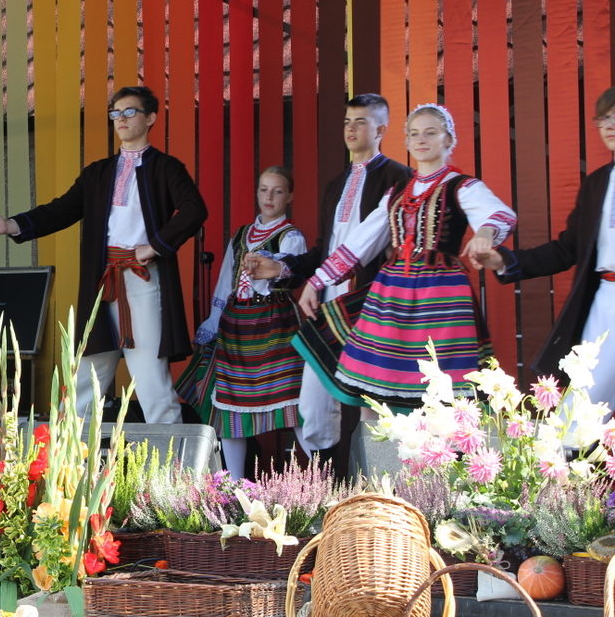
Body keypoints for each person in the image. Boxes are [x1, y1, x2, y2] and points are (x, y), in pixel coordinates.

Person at [0, 86, 207, 424]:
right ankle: (70, 454)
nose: (121, 119)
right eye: (116, 113)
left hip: (140, 278)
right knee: (87, 374)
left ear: (151, 118)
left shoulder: (166, 168)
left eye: (130, 112)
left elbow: (194, 209)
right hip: (102, 280)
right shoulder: (99, 173)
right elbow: (61, 210)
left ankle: (170, 456)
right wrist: (9, 225)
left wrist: (155, 245)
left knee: (149, 377)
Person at [291, 103, 516, 411]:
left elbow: (498, 214)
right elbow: (360, 242)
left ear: (448, 139)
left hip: (442, 295)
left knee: (441, 385)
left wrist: (485, 233)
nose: (421, 139)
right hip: (391, 293)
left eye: (430, 133)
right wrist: (317, 282)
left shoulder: (461, 186)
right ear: (407, 141)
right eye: (414, 133)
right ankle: (379, 443)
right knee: (377, 385)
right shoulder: (396, 192)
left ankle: (440, 441)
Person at [246, 93, 411, 470]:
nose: (351, 129)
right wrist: (281, 268)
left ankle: (380, 486)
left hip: (373, 304)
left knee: (375, 403)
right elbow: (324, 250)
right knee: (314, 401)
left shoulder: (398, 178)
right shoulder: (336, 185)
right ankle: (326, 486)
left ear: (381, 130)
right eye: (347, 122)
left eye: (360, 122)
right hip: (328, 305)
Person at [473, 87, 615, 402]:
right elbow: (567, 249)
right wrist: (505, 261)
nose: (608, 125)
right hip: (607, 300)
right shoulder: (597, 184)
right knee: (582, 409)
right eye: (603, 118)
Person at [175, 167, 306, 479]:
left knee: (295, 403)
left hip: (275, 324)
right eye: (264, 189)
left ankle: (322, 480)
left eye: (277, 191)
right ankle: (235, 485)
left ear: (289, 197)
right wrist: (214, 321)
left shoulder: (291, 236)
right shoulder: (241, 235)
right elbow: (225, 282)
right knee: (229, 407)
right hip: (237, 325)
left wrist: (270, 267)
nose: (269, 197)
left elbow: (290, 271)